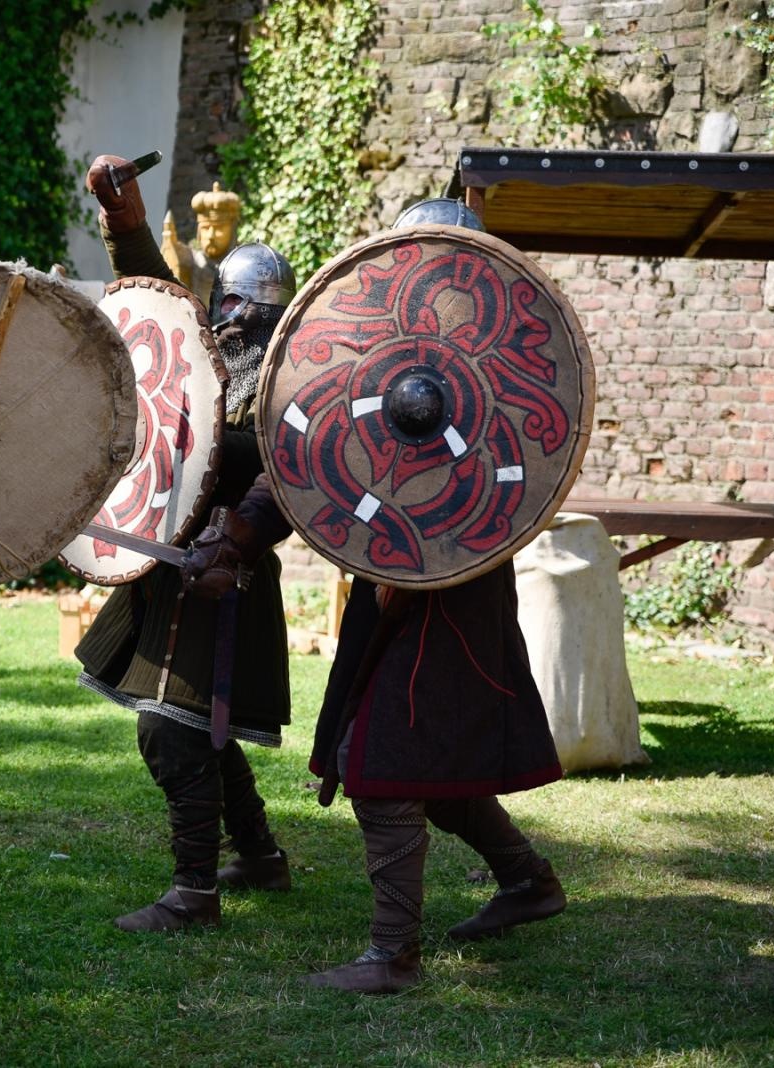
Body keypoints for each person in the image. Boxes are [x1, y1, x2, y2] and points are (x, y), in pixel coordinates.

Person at [180, 199, 567, 993]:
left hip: (456, 594)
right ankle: (528, 882)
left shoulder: (496, 368)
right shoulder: (379, 353)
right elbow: (316, 456)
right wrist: (237, 537)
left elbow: (512, 473)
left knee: (389, 759)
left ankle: (394, 953)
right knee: (431, 765)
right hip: (386, 578)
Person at [73, 155, 299, 932]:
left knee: (169, 730)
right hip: (170, 563)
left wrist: (233, 542)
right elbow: (160, 305)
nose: (231, 317)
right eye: (226, 302)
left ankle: (194, 890)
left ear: (273, 317)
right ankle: (262, 856)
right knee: (203, 724)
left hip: (224, 576)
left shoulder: (285, 387)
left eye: (245, 308)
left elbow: (291, 477)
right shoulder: (208, 351)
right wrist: (125, 217)